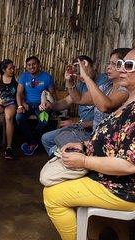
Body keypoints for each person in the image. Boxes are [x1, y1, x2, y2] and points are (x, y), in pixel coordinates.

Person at [43, 48, 135, 240]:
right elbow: (76, 100)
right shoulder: (128, 100)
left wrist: (84, 161)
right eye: (119, 64)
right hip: (110, 174)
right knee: (55, 143)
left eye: (128, 65)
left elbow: (128, 164)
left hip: (123, 187)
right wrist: (84, 146)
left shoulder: (123, 97)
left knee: (52, 195)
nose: (119, 69)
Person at [41, 55, 109, 156]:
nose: (81, 73)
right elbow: (65, 102)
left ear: (94, 66)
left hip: (94, 131)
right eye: (78, 69)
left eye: (83, 66)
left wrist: (77, 123)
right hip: (80, 128)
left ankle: (71, 162)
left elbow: (103, 119)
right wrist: (51, 105)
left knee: (55, 148)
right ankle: (64, 162)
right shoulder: (81, 84)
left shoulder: (105, 81)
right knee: (46, 138)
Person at [66, 48, 131, 131]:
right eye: (109, 63)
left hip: (104, 140)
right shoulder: (106, 86)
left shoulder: (126, 90)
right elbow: (79, 99)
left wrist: (86, 77)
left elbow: (105, 106)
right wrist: (69, 82)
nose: (108, 67)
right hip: (95, 135)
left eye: (114, 64)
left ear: (125, 67)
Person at [16, 56, 55, 155]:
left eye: (34, 64)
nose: (31, 66)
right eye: (29, 65)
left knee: (44, 121)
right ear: (26, 67)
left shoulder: (47, 77)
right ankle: (34, 142)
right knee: (18, 118)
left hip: (42, 105)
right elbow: (19, 93)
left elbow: (52, 94)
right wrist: (21, 105)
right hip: (27, 104)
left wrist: (46, 103)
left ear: (38, 65)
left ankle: (30, 142)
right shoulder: (24, 76)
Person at [0, 59, 18, 159]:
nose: (13, 70)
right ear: (4, 69)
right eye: (10, 68)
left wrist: (20, 105)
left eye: (13, 68)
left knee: (9, 117)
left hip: (11, 103)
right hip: (0, 103)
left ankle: (9, 147)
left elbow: (20, 94)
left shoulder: (17, 79)